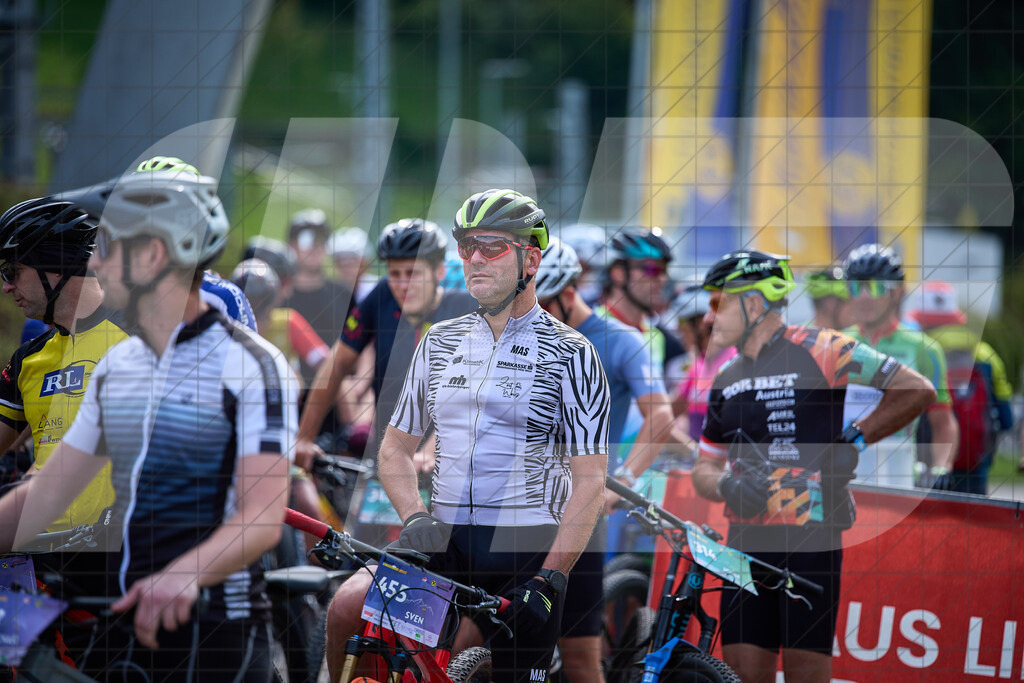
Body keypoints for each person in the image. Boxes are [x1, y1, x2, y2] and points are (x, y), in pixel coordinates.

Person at [0, 167, 296, 679]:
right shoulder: (124, 366)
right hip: (126, 624)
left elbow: (261, 518)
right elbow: (50, 487)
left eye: (105, 247)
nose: (92, 262)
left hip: (215, 632)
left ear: (153, 255)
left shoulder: (251, 363)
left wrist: (183, 574)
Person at [324, 189, 609, 683]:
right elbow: (394, 449)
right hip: (446, 541)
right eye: (466, 246)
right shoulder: (439, 340)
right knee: (347, 609)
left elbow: (590, 483)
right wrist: (414, 515)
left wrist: (553, 577)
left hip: (528, 552)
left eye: (492, 246)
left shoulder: (573, 353)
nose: (474, 259)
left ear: (531, 258)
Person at [690, 250, 936, 683]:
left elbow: (916, 390)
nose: (710, 317)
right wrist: (726, 485)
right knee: (743, 675)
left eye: (718, 302)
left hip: (811, 540)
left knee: (806, 675)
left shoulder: (824, 348)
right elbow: (703, 469)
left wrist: (854, 437)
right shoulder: (725, 378)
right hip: (744, 542)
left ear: (753, 303)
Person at [534, 237, 675, 683]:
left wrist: (624, 478)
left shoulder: (621, 341)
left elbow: (662, 417)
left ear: (568, 292)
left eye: (541, 307)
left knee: (579, 660)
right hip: (520, 507)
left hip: (580, 510)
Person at [295, 217, 476, 467]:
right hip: (386, 461)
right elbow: (335, 365)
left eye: (413, 274)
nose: (403, 285)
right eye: (395, 274)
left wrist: (432, 452)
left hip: (450, 464)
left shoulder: (466, 308)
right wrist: (304, 438)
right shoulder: (382, 297)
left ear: (439, 271)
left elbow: (472, 396)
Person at [0, 198, 125, 530]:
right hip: (42, 561)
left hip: (127, 564)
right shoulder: (27, 358)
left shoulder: (142, 341)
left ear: (54, 266)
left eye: (12, 271)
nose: (6, 286)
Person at [841, 243, 959, 489]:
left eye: (875, 286)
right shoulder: (835, 343)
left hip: (900, 474)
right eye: (855, 287)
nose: (864, 296)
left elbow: (943, 421)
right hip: (843, 473)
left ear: (897, 293)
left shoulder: (924, 349)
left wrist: (941, 468)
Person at [906, 279, 1013, 494]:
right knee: (971, 526)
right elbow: (1006, 419)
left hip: (927, 469)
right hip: (975, 468)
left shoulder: (916, 353)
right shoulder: (986, 354)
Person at [598, 228, 687, 395]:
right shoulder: (588, 328)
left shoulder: (659, 336)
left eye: (664, 271)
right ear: (619, 273)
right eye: (652, 270)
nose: (662, 279)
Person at [669, 284, 737, 443]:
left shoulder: (734, 358)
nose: (678, 330)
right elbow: (670, 411)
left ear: (700, 323)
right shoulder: (698, 364)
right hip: (702, 460)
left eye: (682, 322)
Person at [283, 208, 356, 346]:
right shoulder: (280, 296)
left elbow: (361, 343)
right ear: (291, 245)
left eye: (321, 239)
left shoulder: (343, 295)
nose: (315, 246)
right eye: (306, 239)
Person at [329, 226, 378, 303]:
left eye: (352, 260)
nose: (346, 267)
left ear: (364, 261)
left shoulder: (376, 289)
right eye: (341, 260)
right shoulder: (330, 293)